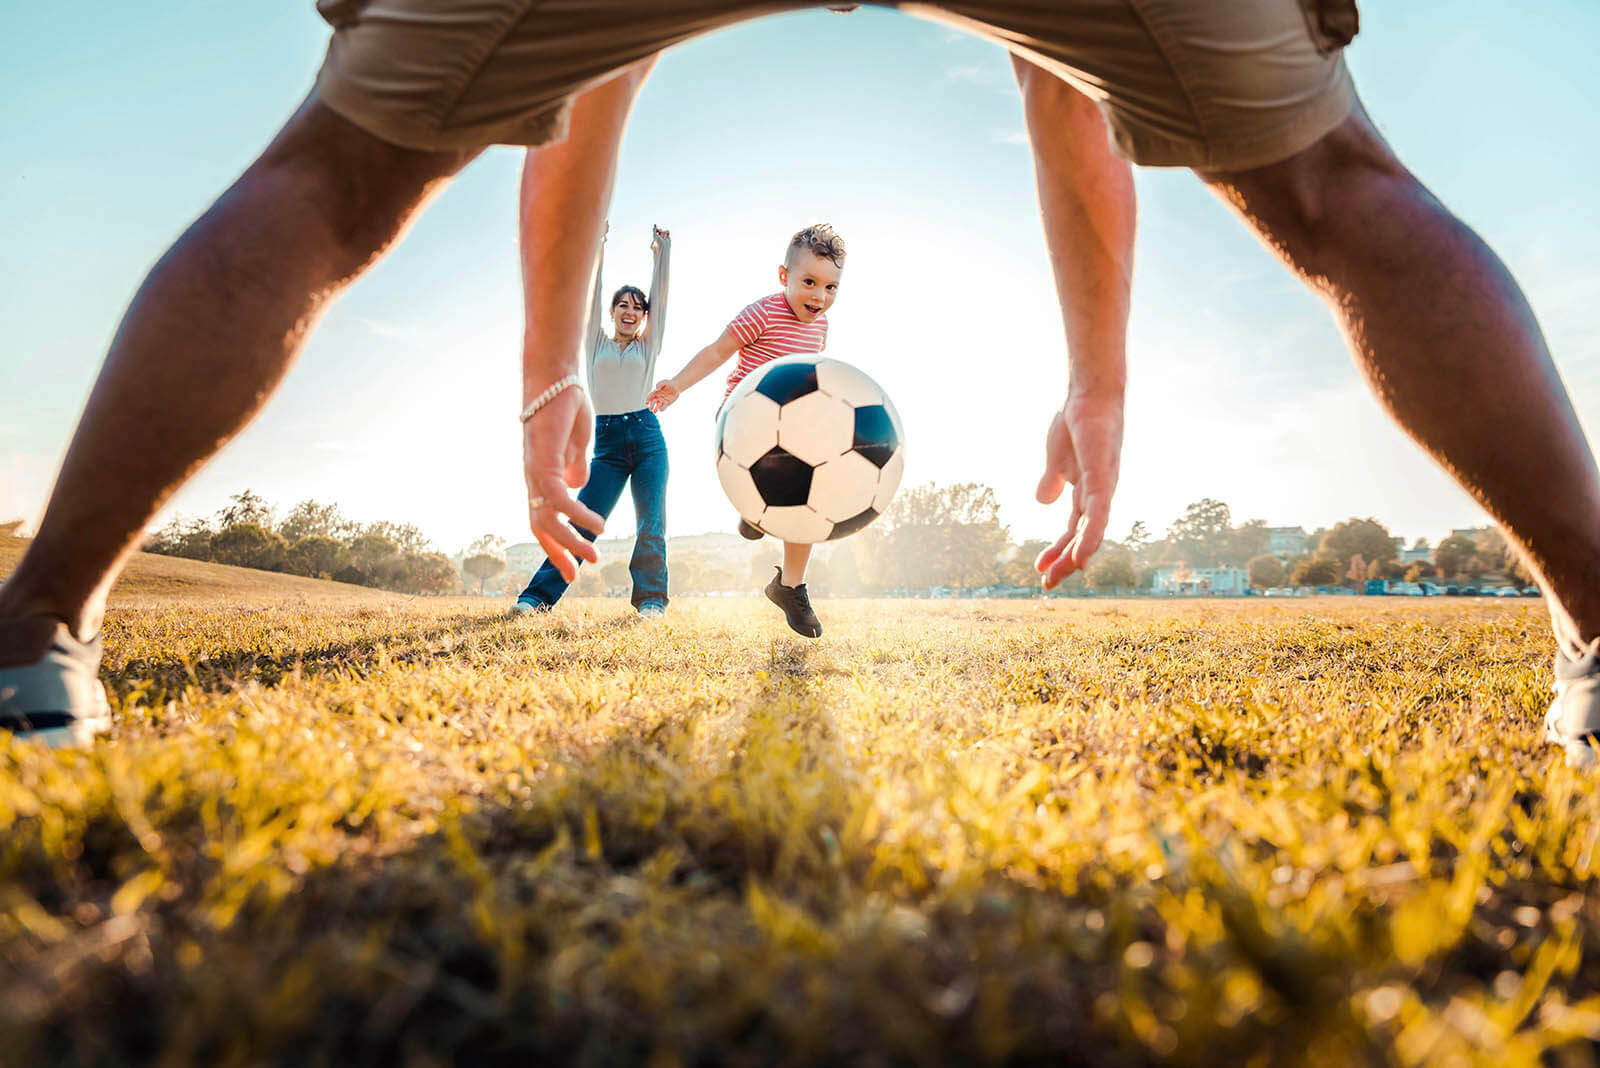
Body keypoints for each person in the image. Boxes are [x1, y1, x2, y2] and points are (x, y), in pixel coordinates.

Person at [1, 3, 1596, 768]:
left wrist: (554, 366)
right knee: (1335, 185)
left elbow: (593, 69)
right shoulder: (766, 313)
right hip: (709, 424)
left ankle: (35, 629)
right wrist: (1093, 377)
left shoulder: (809, 322)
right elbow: (1063, 74)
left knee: (336, 173)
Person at [645, 224, 845, 638]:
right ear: (782, 276)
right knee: (777, 452)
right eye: (809, 282)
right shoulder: (763, 313)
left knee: (812, 495)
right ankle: (755, 504)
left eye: (830, 287)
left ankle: (790, 586)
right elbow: (719, 351)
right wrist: (676, 386)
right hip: (742, 415)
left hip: (794, 426)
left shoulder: (820, 327)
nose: (819, 297)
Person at [513, 221, 672, 618]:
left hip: (648, 436)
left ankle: (651, 601)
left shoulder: (648, 347)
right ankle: (536, 598)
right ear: (612, 312)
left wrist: (662, 252)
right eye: (624, 305)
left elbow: (662, 301)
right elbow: (591, 291)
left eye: (638, 307)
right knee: (583, 520)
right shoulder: (595, 341)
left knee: (651, 521)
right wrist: (597, 244)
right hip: (607, 444)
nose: (631, 312)